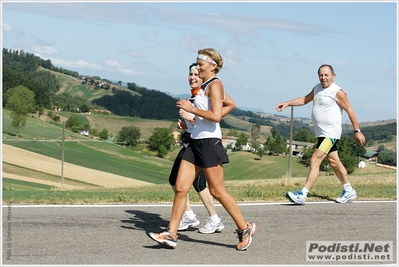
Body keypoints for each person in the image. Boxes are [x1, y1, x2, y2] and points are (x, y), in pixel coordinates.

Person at [149, 48, 257, 251]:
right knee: (181, 187)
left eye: (200, 64)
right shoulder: (204, 85)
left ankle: (245, 227)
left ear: (213, 66)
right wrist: (192, 122)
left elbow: (216, 116)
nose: (197, 67)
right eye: (196, 64)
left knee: (217, 190)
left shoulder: (215, 85)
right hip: (195, 142)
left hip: (209, 143)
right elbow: (210, 114)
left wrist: (192, 110)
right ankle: (171, 233)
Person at [276, 64, 366, 205]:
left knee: (315, 159)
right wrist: (288, 103)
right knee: (334, 163)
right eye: (321, 75)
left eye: (326, 75)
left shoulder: (338, 91)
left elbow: (350, 110)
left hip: (331, 134)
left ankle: (303, 194)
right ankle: (349, 190)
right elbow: (305, 99)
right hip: (321, 134)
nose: (323, 78)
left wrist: (357, 131)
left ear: (333, 76)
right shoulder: (317, 88)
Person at [169, 63, 234, 234]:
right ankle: (181, 223)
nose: (193, 77)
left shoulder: (210, 88)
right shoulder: (194, 97)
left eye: (197, 74)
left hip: (205, 143)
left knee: (208, 187)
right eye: (190, 74)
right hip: (193, 141)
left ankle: (216, 219)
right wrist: (186, 123)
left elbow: (228, 106)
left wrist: (193, 115)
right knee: (178, 183)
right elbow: (197, 123)